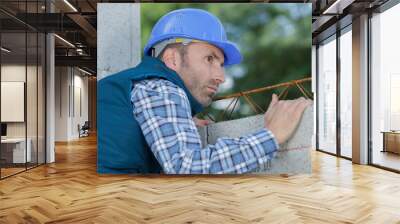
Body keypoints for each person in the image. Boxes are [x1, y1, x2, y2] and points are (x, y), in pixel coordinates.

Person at [97, 8, 311, 174]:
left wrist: (181, 118)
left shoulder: (135, 85)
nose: (221, 77)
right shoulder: (160, 86)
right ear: (172, 59)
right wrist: (271, 136)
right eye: (210, 59)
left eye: (221, 64)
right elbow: (186, 168)